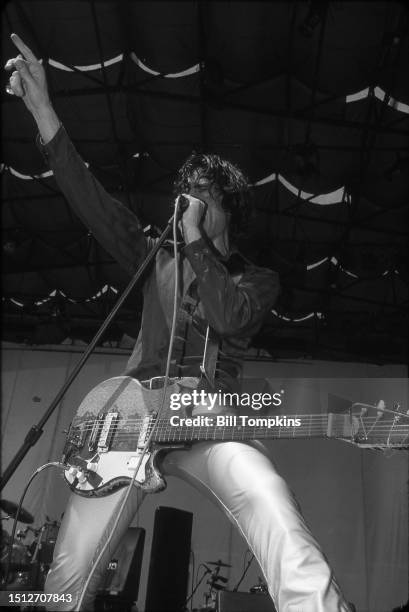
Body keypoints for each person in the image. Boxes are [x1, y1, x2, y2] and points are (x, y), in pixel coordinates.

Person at [5, 33, 352, 612]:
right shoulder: (155, 256)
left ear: (225, 209)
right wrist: (43, 110)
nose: (184, 202)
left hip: (211, 417)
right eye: (183, 194)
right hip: (132, 417)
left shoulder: (256, 279)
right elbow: (90, 200)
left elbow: (228, 316)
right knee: (68, 574)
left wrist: (195, 243)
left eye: (199, 196)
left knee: (269, 498)